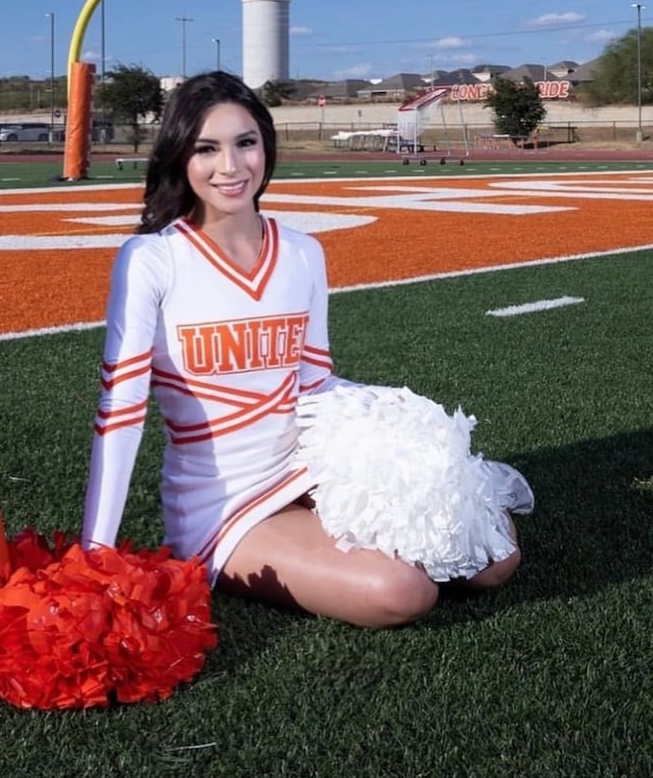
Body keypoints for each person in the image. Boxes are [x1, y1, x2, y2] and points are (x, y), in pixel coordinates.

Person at [81, 71, 532, 628]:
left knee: (494, 558)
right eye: (207, 149)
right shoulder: (152, 259)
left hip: (311, 469)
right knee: (401, 592)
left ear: (265, 146)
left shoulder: (301, 253)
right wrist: (94, 556)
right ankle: (266, 546)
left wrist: (403, 423)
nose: (231, 166)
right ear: (180, 157)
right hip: (221, 504)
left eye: (245, 143)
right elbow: (121, 413)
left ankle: (339, 527)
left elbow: (316, 385)